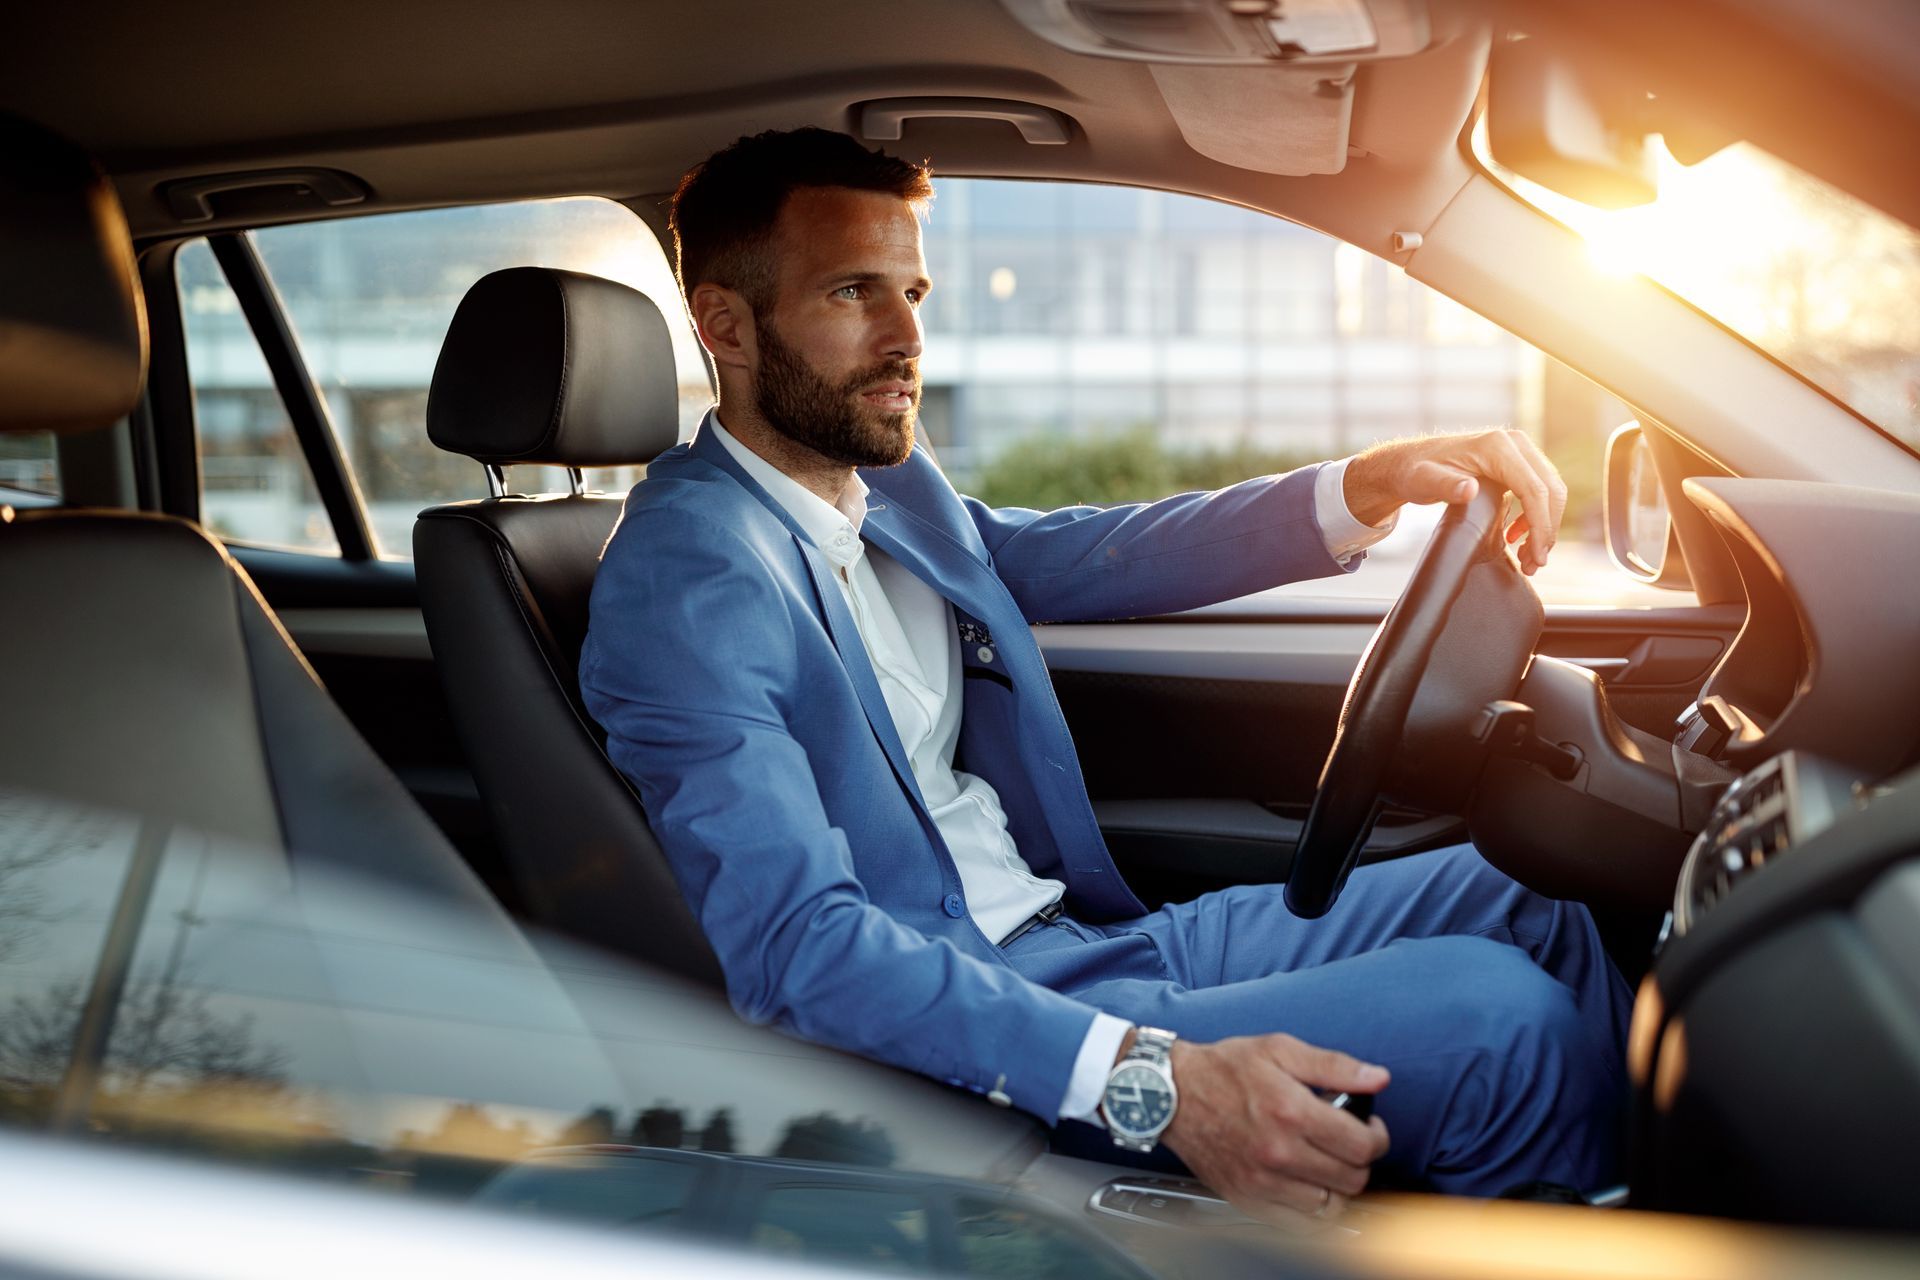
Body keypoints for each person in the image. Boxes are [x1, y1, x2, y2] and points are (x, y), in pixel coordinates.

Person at [580, 128, 1631, 1226]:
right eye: (855, 293)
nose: (906, 337)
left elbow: (1069, 553)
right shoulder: (686, 574)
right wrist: (1151, 1077)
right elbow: (798, 946)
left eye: (914, 291)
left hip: (1088, 938)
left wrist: (1360, 488)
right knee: (1501, 1019)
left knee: (1537, 883)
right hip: (992, 1012)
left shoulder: (879, 475)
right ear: (725, 326)